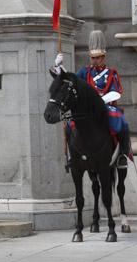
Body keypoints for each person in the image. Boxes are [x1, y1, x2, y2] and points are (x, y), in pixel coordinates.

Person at [54, 30, 131, 168]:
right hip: (88, 108)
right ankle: (74, 156)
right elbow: (69, 81)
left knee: (122, 122)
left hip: (106, 105)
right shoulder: (85, 71)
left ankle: (123, 155)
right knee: (69, 125)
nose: (94, 60)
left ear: (103, 57)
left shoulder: (112, 73)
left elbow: (117, 92)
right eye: (92, 58)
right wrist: (59, 67)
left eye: (97, 57)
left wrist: (101, 100)